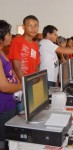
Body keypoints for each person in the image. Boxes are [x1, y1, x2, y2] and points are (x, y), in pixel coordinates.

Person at [0, 20, 22, 150]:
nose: (10, 36)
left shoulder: (2, 51)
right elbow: (4, 86)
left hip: (10, 102)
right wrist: (24, 85)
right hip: (3, 106)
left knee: (9, 138)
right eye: (8, 33)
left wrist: (18, 81)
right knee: (3, 140)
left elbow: (10, 71)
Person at [8, 15, 40, 82]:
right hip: (21, 83)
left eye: (36, 26)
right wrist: (26, 83)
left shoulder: (35, 45)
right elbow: (16, 67)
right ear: (23, 27)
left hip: (32, 81)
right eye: (29, 25)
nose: (33, 29)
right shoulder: (17, 41)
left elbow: (36, 66)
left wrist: (37, 79)